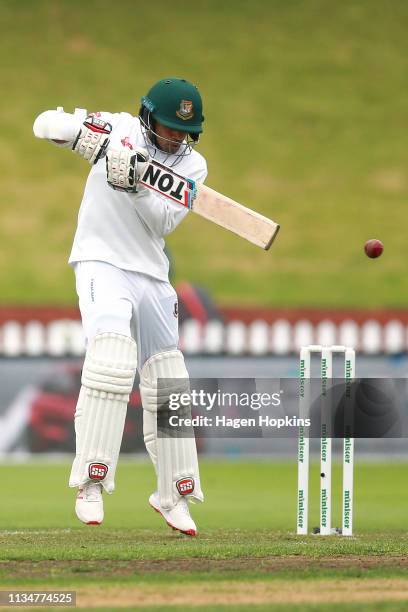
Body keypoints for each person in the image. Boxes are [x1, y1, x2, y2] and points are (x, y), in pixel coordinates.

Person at [33, 77, 206, 536]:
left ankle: (173, 494)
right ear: (148, 117)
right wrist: (80, 135)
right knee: (111, 358)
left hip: (151, 272)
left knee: (168, 380)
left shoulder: (194, 165)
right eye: (168, 127)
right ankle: (90, 482)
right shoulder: (119, 128)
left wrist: (135, 182)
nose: (174, 138)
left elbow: (163, 220)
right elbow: (42, 124)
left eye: (182, 131)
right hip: (100, 260)